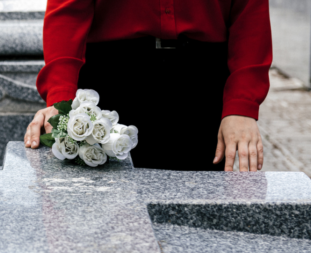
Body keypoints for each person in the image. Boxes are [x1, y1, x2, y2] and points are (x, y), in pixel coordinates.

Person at [24, 0, 272, 172]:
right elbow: (68, 12)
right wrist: (61, 100)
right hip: (113, 81)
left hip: (202, 87)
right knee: (108, 218)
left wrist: (241, 104)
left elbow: (250, 14)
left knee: (201, 216)